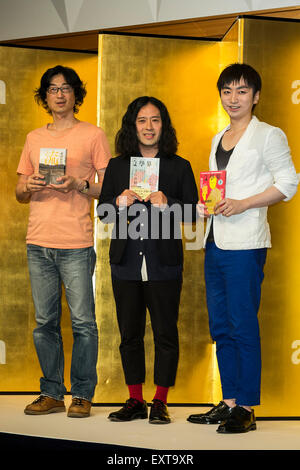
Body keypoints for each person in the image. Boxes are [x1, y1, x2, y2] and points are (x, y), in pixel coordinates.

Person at [188, 63, 298, 433]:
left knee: (242, 324)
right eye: (227, 91)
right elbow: (218, 191)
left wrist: (244, 203)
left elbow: (288, 184)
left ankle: (247, 408)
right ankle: (229, 401)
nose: (233, 99)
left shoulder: (269, 135)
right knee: (220, 325)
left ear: (256, 96)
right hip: (216, 241)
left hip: (247, 243)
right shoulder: (218, 137)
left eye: (242, 91)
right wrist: (209, 205)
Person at [15, 65, 111, 417]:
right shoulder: (33, 138)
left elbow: (108, 187)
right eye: (52, 89)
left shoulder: (93, 135)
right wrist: (30, 186)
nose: (59, 94)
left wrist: (79, 185)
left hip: (76, 243)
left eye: (66, 88)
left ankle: (82, 394)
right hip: (38, 241)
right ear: (45, 97)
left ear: (76, 95)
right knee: (45, 322)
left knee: (84, 322)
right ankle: (52, 392)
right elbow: (19, 192)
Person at [97, 96, 198, 424]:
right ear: (132, 125)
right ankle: (135, 399)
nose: (149, 127)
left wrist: (169, 203)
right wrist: (118, 201)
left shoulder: (178, 166)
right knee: (130, 333)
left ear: (163, 125)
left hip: (164, 262)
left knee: (166, 332)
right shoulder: (117, 166)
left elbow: (193, 212)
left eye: (155, 120)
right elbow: (102, 212)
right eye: (142, 120)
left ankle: (160, 400)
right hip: (125, 261)